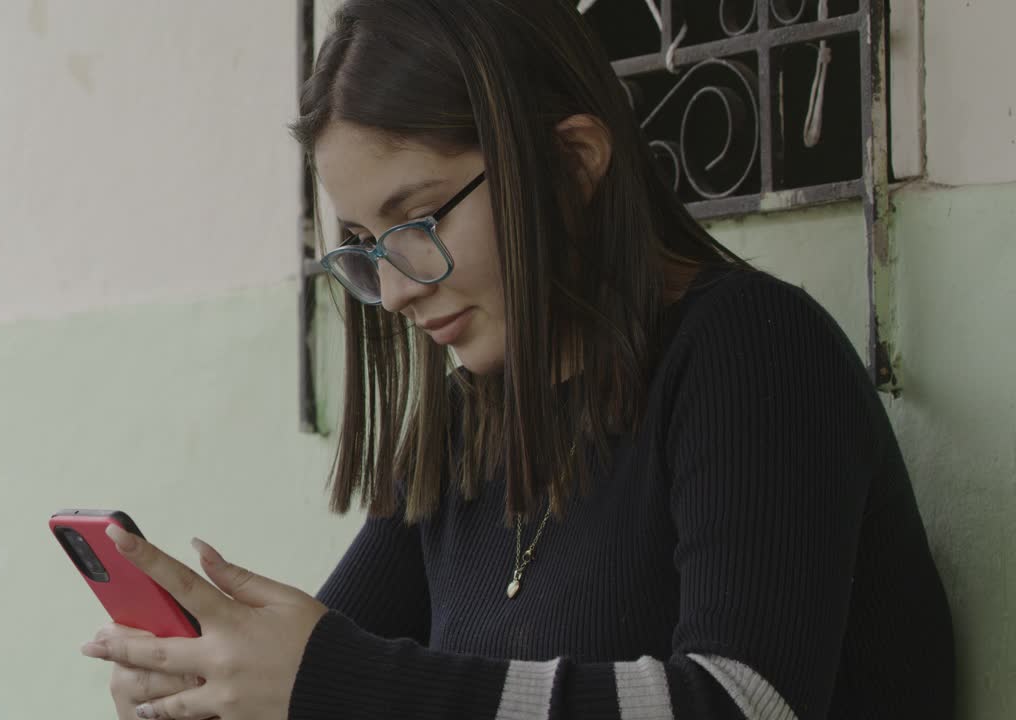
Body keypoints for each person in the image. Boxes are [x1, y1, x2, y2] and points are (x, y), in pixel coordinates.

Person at [78, 1, 956, 718]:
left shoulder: (752, 351)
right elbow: (334, 677)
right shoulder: (468, 423)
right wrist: (216, 684)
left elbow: (744, 701)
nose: (394, 291)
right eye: (363, 247)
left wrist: (337, 684)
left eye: (417, 222)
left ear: (573, 164)